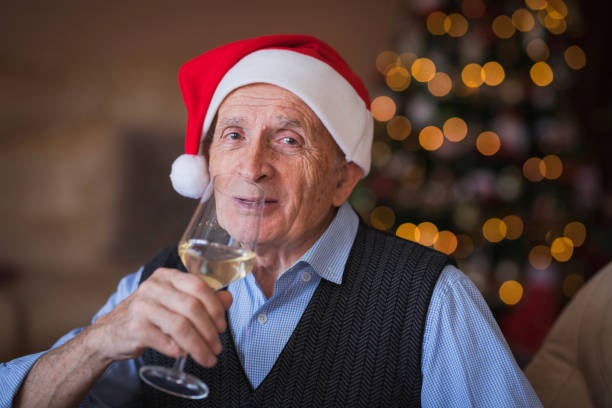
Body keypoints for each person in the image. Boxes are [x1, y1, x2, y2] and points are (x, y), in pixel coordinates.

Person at [1, 35, 541, 407]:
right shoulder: (153, 285)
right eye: (233, 136)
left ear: (343, 178)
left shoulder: (430, 299)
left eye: (288, 140)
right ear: (208, 163)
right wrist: (100, 341)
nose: (252, 168)